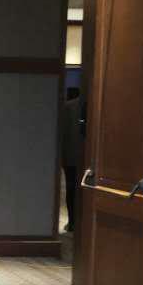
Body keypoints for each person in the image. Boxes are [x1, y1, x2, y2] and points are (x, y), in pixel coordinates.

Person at [60, 87, 84, 233]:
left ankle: (73, 222)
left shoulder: (68, 107)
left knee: (71, 190)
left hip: (70, 157)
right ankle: (84, 223)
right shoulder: (94, 106)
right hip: (88, 159)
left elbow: (62, 133)